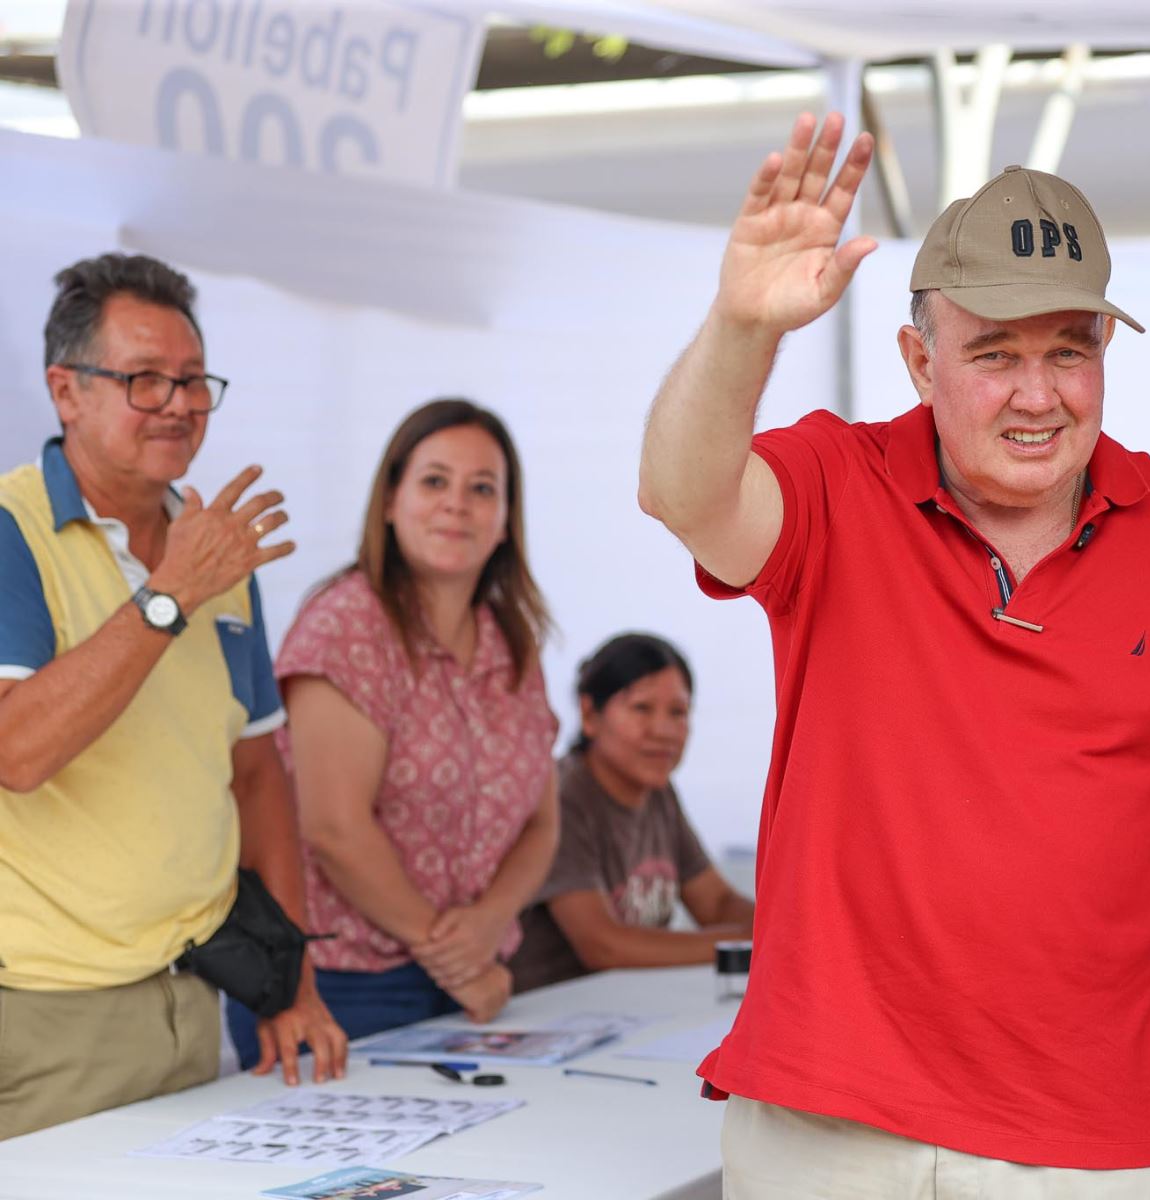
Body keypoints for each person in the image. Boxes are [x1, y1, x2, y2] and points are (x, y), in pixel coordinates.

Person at [638, 114, 1150, 1199]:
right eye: (995, 354)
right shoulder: (835, 484)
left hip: (1081, 1139)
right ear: (920, 361)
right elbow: (682, 496)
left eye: (1070, 351)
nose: (1037, 394)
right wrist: (744, 327)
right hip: (827, 1123)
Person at [0, 253, 346, 1139]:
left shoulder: (213, 549)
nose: (181, 404)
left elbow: (259, 773)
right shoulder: (13, 531)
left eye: (194, 380)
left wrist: (290, 982)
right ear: (66, 391)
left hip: (197, 998)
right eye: (145, 379)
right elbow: (16, 751)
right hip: (48, 1014)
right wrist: (169, 594)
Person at [225, 399, 559, 1063]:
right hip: (337, 989)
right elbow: (334, 828)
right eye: (434, 481)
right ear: (389, 501)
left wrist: (490, 926)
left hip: (472, 985)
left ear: (504, 522)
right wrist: (456, 956)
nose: (456, 504)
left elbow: (541, 824)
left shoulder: (512, 641)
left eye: (482, 488)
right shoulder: (345, 624)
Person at [511, 633, 754, 991]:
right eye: (641, 708)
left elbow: (716, 904)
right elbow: (603, 946)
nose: (663, 730)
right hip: (550, 1018)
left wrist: (793, 932)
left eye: (678, 712)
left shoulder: (659, 793)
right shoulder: (563, 795)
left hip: (629, 1006)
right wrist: (753, 946)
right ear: (589, 714)